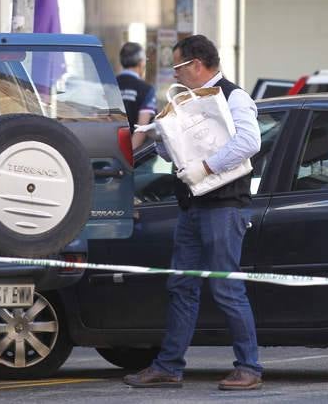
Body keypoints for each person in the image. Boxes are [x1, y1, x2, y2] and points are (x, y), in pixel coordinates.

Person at [124, 34, 263, 391]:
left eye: (178, 67)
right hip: (193, 205)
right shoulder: (187, 101)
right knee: (182, 287)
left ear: (197, 65)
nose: (175, 75)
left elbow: (249, 143)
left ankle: (249, 368)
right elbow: (177, 155)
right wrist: (162, 137)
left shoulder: (235, 97)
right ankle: (169, 366)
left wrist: (206, 166)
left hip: (223, 207)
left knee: (226, 288)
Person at [115, 42, 157, 149]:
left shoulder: (110, 85)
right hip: (136, 158)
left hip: (111, 151)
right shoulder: (146, 90)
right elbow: (141, 129)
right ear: (141, 63)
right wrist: (128, 157)